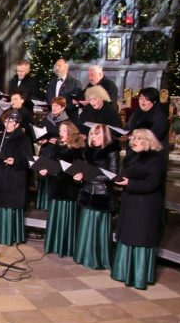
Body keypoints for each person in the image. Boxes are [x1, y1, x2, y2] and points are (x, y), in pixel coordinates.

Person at [112, 129, 166, 289]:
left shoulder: (156, 160)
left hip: (146, 206)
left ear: (149, 141)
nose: (134, 141)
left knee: (140, 238)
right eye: (133, 138)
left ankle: (139, 276)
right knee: (128, 237)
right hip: (130, 202)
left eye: (139, 138)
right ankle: (123, 272)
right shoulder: (132, 157)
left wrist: (129, 183)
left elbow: (152, 184)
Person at [73, 123, 119, 270]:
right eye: (92, 134)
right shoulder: (88, 151)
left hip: (102, 193)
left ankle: (98, 259)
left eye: (97, 134)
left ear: (105, 136)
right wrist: (78, 176)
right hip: (87, 191)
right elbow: (83, 169)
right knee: (86, 226)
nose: (93, 137)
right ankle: (83, 255)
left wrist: (89, 176)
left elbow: (113, 174)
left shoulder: (111, 151)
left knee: (98, 228)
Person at [0, 110, 33, 246]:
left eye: (11, 121)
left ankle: (11, 234)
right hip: (0, 174)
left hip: (15, 176)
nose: (8, 124)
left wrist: (16, 161)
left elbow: (29, 159)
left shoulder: (24, 138)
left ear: (17, 124)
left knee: (10, 203)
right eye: (6, 121)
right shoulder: (0, 136)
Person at [41, 121, 85, 258]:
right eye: (60, 131)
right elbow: (52, 163)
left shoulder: (78, 148)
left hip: (69, 187)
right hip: (56, 184)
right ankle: (53, 244)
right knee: (55, 216)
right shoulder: (57, 146)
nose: (61, 134)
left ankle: (65, 246)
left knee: (67, 217)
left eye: (64, 131)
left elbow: (80, 168)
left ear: (71, 133)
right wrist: (45, 170)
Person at [35, 97, 69, 210]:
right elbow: (40, 133)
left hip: (57, 151)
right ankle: (42, 203)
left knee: (52, 175)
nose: (54, 108)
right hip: (46, 149)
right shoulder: (46, 118)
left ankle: (50, 204)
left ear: (63, 108)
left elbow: (69, 138)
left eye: (57, 106)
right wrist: (41, 140)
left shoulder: (67, 121)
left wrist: (58, 141)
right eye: (53, 105)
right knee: (43, 175)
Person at [127, 87, 169, 152]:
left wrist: (137, 138)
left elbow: (155, 135)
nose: (143, 101)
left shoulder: (160, 115)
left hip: (152, 152)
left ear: (154, 101)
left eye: (147, 99)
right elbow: (130, 128)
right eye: (141, 98)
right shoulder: (136, 112)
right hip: (135, 149)